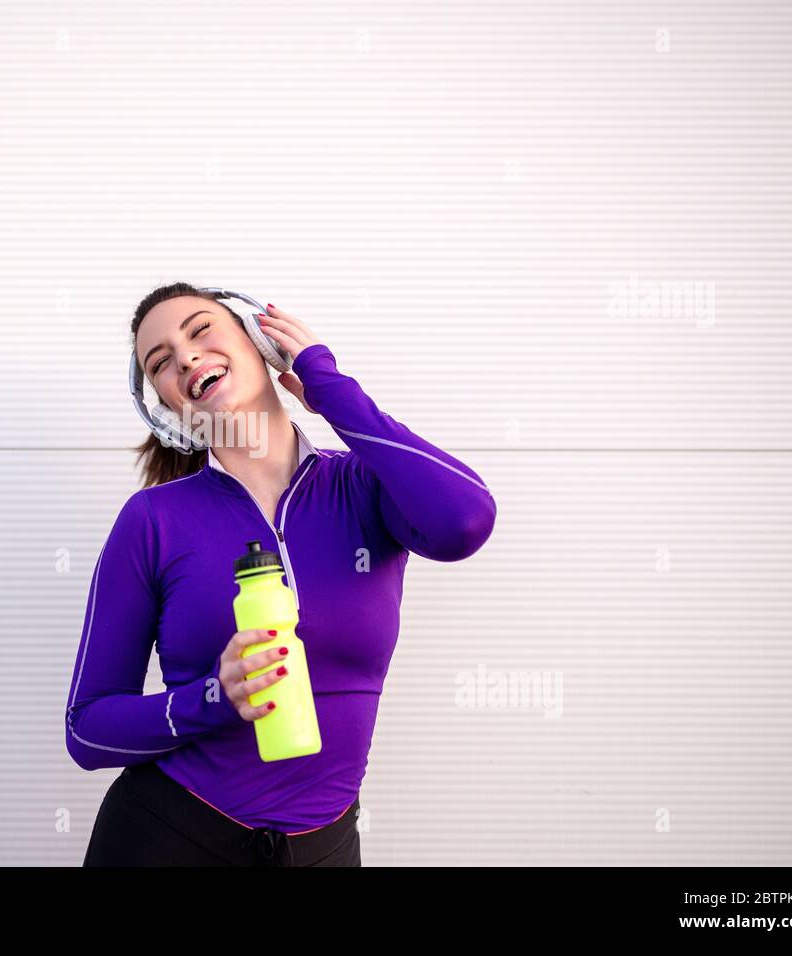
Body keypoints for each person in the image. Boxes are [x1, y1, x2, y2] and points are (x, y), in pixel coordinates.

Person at [67, 281, 497, 865]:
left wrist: (332, 390)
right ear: (169, 405)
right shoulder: (153, 520)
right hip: (167, 835)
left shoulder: (365, 487)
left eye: (200, 330)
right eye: (161, 361)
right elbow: (88, 730)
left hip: (325, 848)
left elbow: (465, 522)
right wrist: (215, 697)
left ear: (260, 343)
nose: (186, 357)